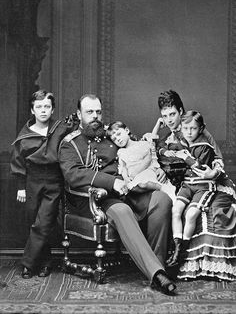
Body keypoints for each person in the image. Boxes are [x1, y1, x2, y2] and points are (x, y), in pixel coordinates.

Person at [58, 94, 176, 294]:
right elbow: (73, 175)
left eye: (98, 111)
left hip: (129, 191)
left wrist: (149, 147)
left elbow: (134, 147)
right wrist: (112, 182)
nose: (95, 116)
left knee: (161, 199)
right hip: (96, 199)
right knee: (122, 211)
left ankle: (157, 264)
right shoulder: (70, 143)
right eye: (89, 112)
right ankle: (157, 274)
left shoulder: (110, 134)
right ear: (79, 114)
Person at [148, 89, 236, 281]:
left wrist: (213, 172)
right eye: (165, 116)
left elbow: (217, 158)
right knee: (175, 208)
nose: (170, 120)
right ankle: (176, 257)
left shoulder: (196, 129)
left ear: (181, 111)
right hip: (186, 185)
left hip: (210, 180)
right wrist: (162, 170)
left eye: (173, 114)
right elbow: (159, 156)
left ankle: (206, 265)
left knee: (208, 210)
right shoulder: (167, 139)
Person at [10, 90, 77, 279]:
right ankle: (45, 262)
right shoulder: (24, 135)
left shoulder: (59, 128)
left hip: (54, 180)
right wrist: (21, 187)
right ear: (32, 110)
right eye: (38, 107)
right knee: (36, 223)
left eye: (47, 106)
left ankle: (28, 264)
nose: (43, 110)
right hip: (32, 181)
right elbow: (18, 162)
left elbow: (75, 131)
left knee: (44, 221)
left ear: (52, 108)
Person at [166, 110, 236, 267]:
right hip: (186, 184)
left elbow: (198, 166)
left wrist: (185, 157)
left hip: (203, 184)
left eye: (193, 128)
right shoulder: (179, 139)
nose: (189, 132)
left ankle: (181, 252)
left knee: (191, 215)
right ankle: (176, 248)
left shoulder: (204, 145)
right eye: (186, 128)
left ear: (201, 128)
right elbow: (164, 151)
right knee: (175, 210)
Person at [106, 120, 176, 201]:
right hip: (135, 177)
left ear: (126, 130)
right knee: (132, 188)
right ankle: (158, 191)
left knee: (143, 184)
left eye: (119, 134)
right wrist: (125, 178)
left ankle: (163, 188)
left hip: (147, 172)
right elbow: (123, 167)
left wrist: (157, 124)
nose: (118, 139)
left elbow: (151, 153)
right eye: (114, 139)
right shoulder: (121, 152)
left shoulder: (142, 144)